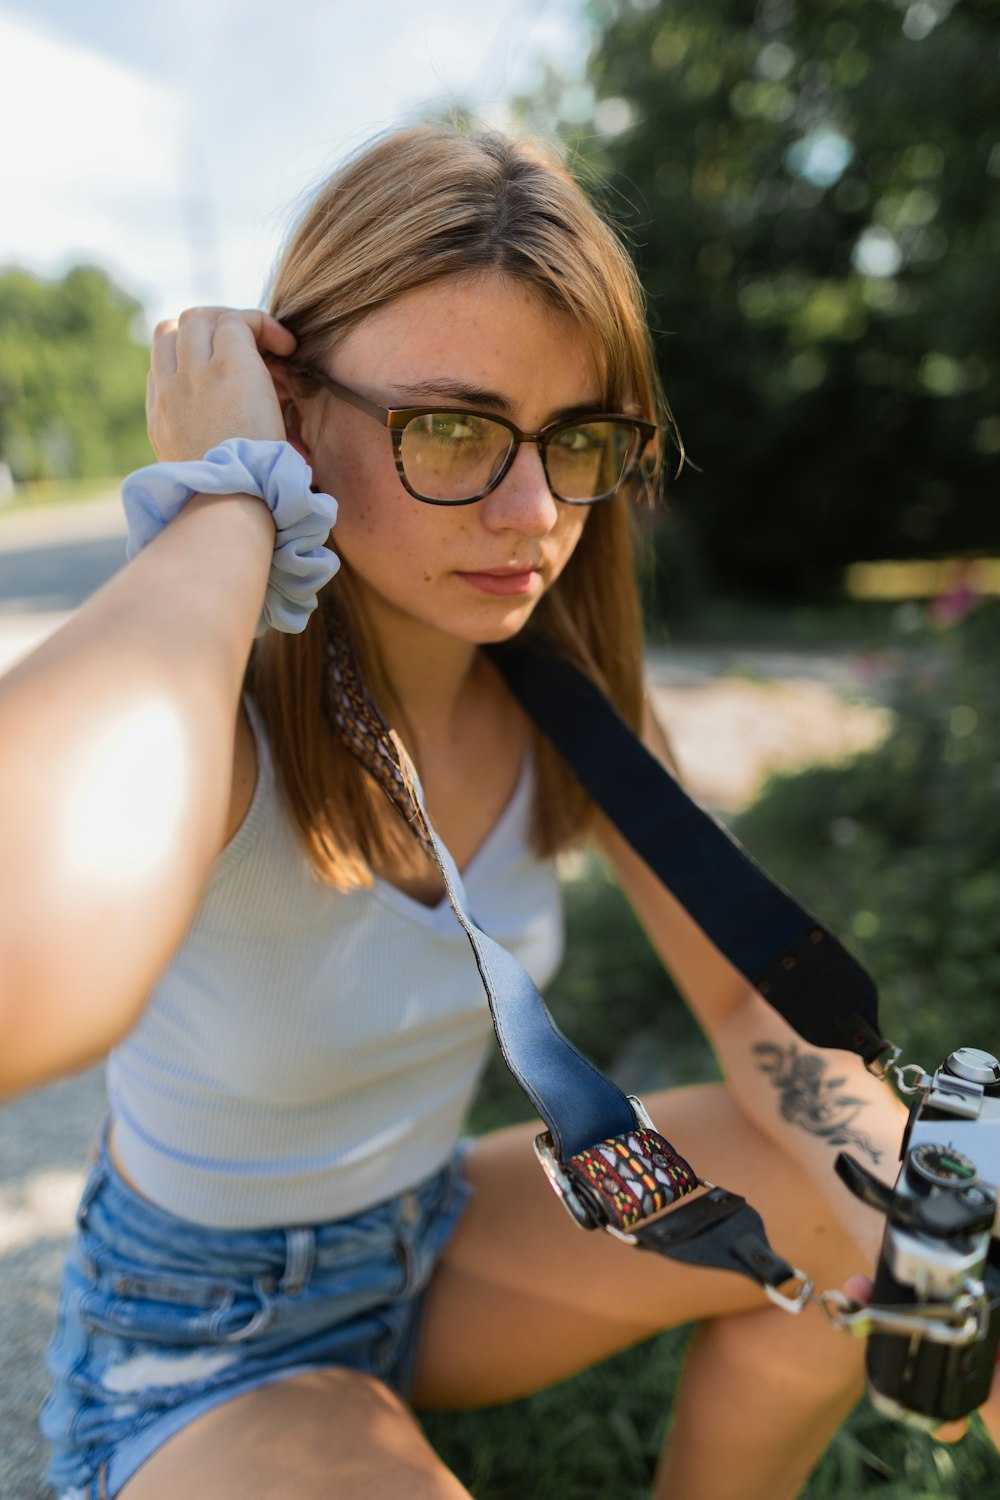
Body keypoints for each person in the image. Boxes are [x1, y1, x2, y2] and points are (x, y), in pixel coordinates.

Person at [0, 123, 994, 1500]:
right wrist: (223, 510)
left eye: (577, 437)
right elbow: (21, 966)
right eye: (453, 429)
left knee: (865, 1210)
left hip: (442, 1241)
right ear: (292, 414)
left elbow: (754, 1008)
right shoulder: (216, 711)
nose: (533, 511)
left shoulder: (567, 708)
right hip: (203, 1341)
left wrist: (947, 1252)